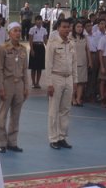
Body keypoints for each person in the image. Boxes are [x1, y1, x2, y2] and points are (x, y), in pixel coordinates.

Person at [0, 22, 29, 153]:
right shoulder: (3, 48)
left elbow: (25, 69)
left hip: (19, 84)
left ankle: (12, 142)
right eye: (15, 31)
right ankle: (2, 142)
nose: (17, 33)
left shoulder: (23, 49)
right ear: (9, 33)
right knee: (2, 114)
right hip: (7, 83)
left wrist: (26, 87)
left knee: (16, 115)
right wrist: (0, 87)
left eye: (19, 31)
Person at [45, 18, 76, 150]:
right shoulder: (52, 42)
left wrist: (75, 81)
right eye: (64, 27)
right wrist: (49, 83)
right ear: (58, 28)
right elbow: (48, 64)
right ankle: (53, 138)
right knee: (54, 110)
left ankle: (62, 137)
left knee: (65, 110)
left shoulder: (71, 43)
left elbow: (74, 63)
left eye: (68, 27)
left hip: (68, 78)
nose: (66, 29)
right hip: (56, 77)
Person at [71, 20, 91, 107]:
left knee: (81, 82)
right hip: (73, 62)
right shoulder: (70, 37)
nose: (79, 29)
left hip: (83, 62)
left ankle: (79, 98)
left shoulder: (85, 37)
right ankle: (72, 99)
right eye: (78, 27)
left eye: (81, 27)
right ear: (74, 28)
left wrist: (90, 61)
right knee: (74, 82)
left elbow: (87, 50)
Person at [28, 15, 47, 89]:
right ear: (35, 21)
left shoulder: (44, 30)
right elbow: (30, 40)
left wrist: (48, 48)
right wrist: (32, 49)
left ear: (42, 21)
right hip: (34, 47)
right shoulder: (32, 29)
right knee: (33, 67)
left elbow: (45, 41)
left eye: (40, 20)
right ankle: (33, 83)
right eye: (37, 20)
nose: (39, 21)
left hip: (41, 47)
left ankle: (38, 83)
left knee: (40, 67)